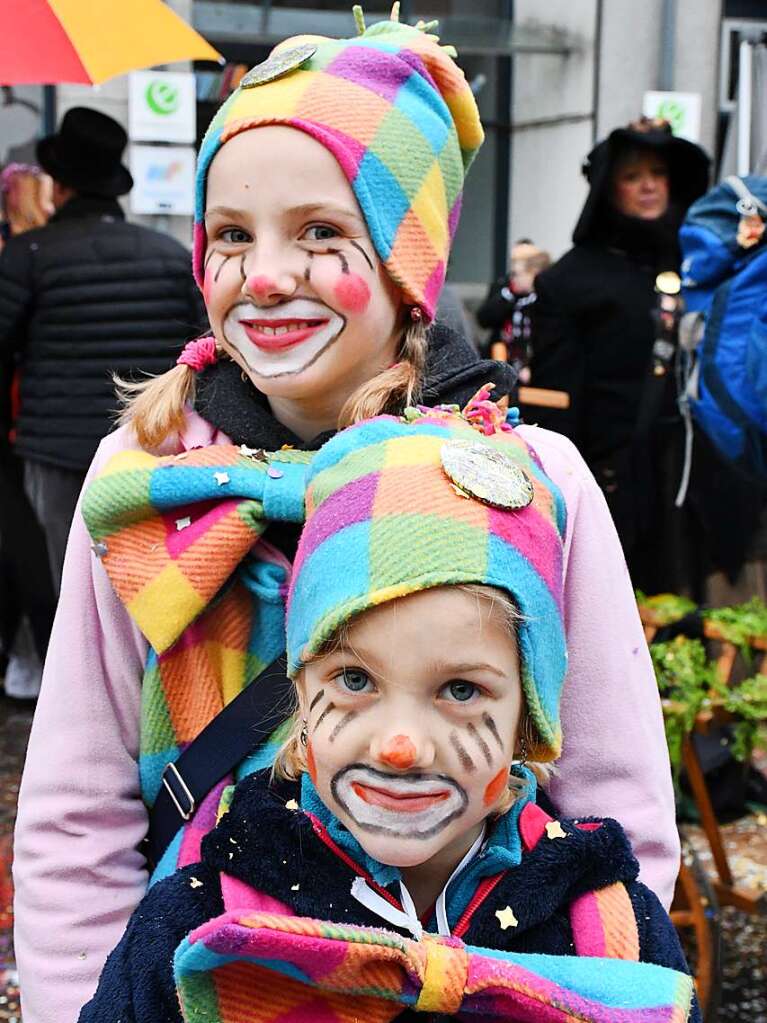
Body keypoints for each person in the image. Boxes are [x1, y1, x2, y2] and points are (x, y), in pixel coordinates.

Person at [14, 16, 678, 1023]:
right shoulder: (147, 478)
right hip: (204, 979)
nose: (266, 274)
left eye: (321, 232)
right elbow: (76, 811)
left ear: (408, 260)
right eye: (232, 235)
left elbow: (613, 799)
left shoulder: (531, 476)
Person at [79, 404, 698, 1023]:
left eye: (460, 691)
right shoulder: (197, 926)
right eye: (354, 680)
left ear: (528, 720)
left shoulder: (615, 933)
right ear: (300, 699)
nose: (399, 746)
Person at [0, 107, 206, 592]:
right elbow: (200, 348)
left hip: (53, 451)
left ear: (58, 183)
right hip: (148, 445)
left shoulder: (29, 255)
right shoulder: (170, 255)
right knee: (142, 585)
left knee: (65, 584)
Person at [526, 118, 731, 594]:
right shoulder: (569, 281)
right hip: (613, 483)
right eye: (633, 176)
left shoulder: (701, 265)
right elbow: (558, 403)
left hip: (696, 475)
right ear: (608, 188)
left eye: (658, 174)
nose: (649, 186)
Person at [0, 163, 56, 699]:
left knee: (23, 544)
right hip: (29, 419)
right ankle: (26, 657)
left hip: (25, 420)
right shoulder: (33, 253)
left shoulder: (29, 254)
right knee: (29, 544)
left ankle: (22, 658)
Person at [476, 238, 550, 374]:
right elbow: (483, 319)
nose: (514, 277)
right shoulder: (504, 288)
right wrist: (508, 296)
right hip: (503, 358)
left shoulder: (544, 296)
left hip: (532, 366)